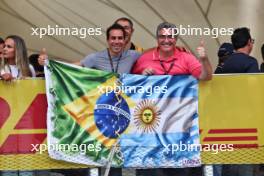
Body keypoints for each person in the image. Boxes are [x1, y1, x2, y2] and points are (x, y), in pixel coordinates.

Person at [39, 23, 140, 176]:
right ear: (107, 40)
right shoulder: (95, 57)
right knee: (97, 159)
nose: (116, 41)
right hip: (99, 117)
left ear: (126, 40)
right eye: (113, 38)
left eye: (120, 38)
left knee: (116, 163)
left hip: (121, 116)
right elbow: (73, 68)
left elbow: (153, 56)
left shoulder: (133, 56)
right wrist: (49, 64)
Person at [132, 22, 212, 176]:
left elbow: (206, 76)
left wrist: (204, 59)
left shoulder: (186, 58)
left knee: (178, 171)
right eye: (162, 36)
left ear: (176, 39)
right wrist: (142, 77)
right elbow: (132, 85)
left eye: (170, 36)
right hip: (151, 129)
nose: (166, 40)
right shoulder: (144, 59)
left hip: (179, 127)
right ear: (157, 38)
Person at [221, 27, 259, 176]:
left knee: (229, 163)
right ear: (249, 42)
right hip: (246, 123)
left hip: (227, 121)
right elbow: (253, 90)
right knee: (245, 165)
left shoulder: (226, 63)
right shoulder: (251, 62)